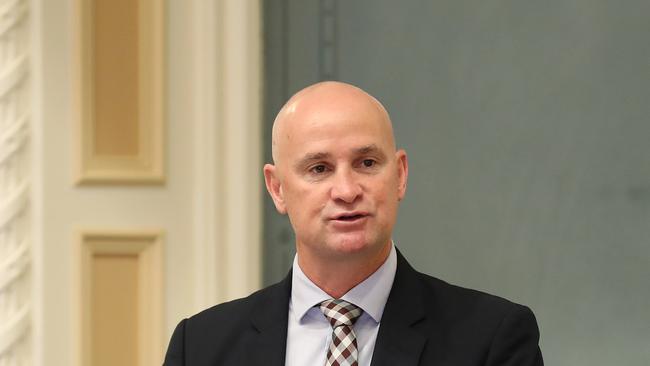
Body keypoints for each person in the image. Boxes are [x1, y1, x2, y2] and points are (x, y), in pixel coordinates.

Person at [163, 81, 543, 366]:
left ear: (400, 175)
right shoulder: (200, 347)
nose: (346, 190)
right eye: (319, 169)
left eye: (366, 163)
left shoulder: (491, 339)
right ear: (277, 188)